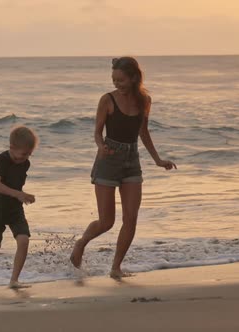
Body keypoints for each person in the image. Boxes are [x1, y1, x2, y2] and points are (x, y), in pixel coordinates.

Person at [70, 56, 176, 279]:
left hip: (132, 161)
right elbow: (98, 133)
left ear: (134, 78)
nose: (116, 84)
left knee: (131, 218)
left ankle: (115, 267)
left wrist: (157, 160)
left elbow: (143, 132)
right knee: (106, 221)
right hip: (108, 160)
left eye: (121, 80)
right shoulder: (107, 100)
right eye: (114, 79)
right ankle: (81, 243)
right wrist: (101, 147)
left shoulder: (145, 100)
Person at [0, 125, 38, 289]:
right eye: (23, 154)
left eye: (29, 154)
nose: (25, 158)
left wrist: (23, 195)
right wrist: (18, 194)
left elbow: (16, 186)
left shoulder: (25, 163)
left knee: (24, 240)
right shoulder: (2, 159)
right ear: (12, 147)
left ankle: (14, 280)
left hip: (15, 210)